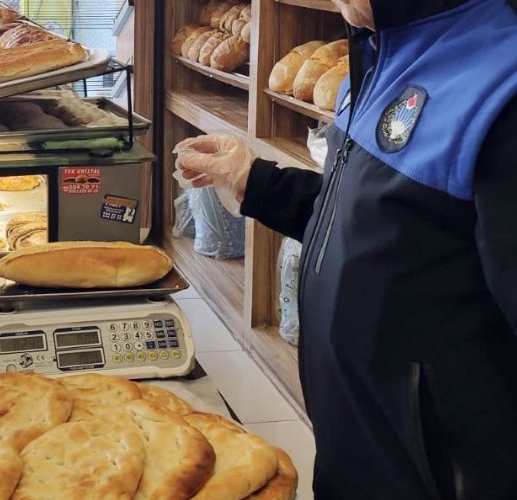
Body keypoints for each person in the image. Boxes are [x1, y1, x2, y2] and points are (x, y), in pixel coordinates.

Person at [174, 0, 517, 498]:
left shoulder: (502, 86)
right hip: (356, 456)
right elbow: (378, 222)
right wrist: (255, 181)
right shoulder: (376, 52)